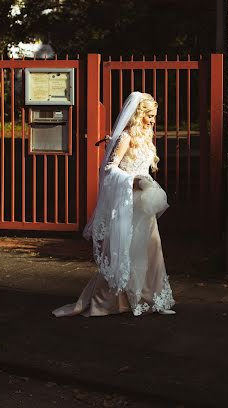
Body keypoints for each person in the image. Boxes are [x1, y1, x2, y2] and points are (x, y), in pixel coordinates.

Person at [52, 92, 176, 317]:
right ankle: (110, 302)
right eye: (149, 115)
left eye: (154, 116)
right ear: (138, 114)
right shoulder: (126, 137)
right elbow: (109, 169)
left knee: (151, 251)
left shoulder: (146, 137)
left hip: (144, 204)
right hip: (127, 201)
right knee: (124, 252)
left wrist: (147, 181)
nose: (152, 121)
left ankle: (153, 300)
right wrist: (133, 180)